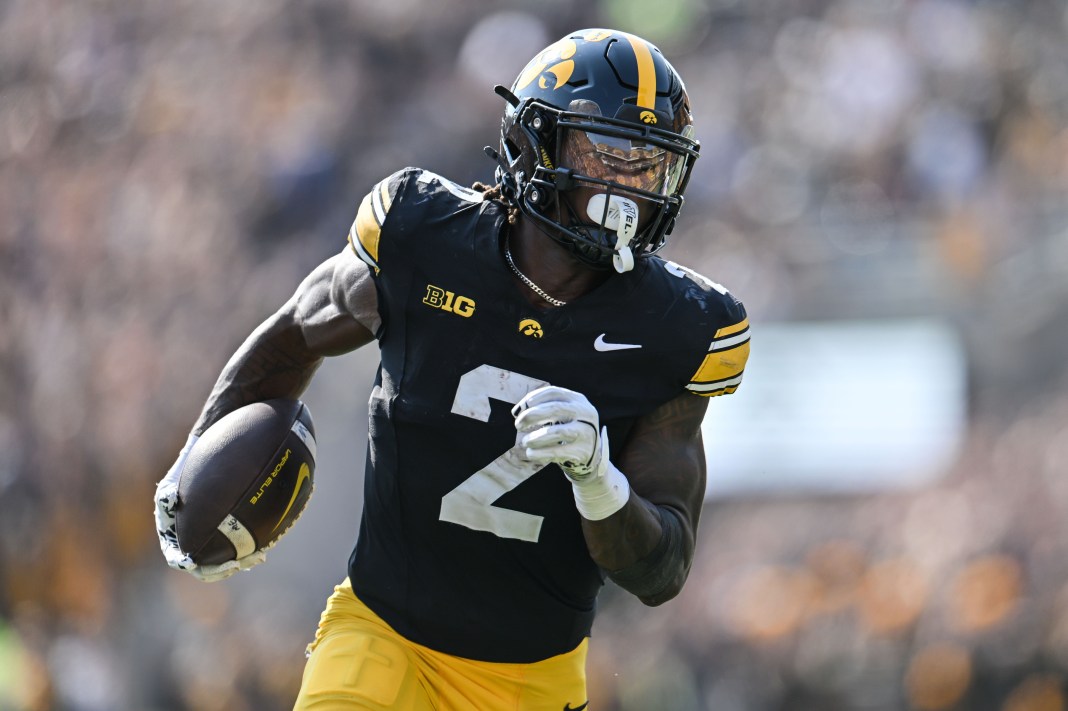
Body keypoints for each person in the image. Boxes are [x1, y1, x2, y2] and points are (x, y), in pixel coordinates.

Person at [154, 28, 750, 710]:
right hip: (382, 636)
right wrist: (191, 468)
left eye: (648, 165)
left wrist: (599, 481)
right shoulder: (421, 237)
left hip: (530, 677)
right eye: (608, 153)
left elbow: (661, 569)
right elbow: (292, 337)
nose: (628, 186)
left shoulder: (678, 327)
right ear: (535, 143)